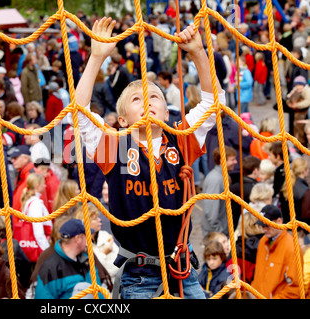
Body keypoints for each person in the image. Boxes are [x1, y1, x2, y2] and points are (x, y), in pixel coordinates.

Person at [75, 18, 225, 299]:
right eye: (136, 100)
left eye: (154, 96)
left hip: (182, 267)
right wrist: (96, 57)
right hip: (140, 274)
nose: (147, 101)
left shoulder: (180, 139)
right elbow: (80, 114)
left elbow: (212, 104)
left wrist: (198, 52)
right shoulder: (115, 146)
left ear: (167, 112)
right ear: (121, 120)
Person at [34, 218, 104, 299]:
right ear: (78, 238)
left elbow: (99, 292)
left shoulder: (87, 260)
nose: (89, 240)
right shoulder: (50, 267)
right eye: (86, 236)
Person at [251, 205, 301, 299]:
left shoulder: (292, 247)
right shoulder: (263, 241)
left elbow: (294, 289)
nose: (264, 230)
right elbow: (257, 277)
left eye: (267, 226)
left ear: (279, 221)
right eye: (262, 226)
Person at [75, 203, 119, 290]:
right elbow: (91, 272)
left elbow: (118, 265)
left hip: (115, 287)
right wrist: (104, 253)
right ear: (85, 222)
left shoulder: (106, 236)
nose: (100, 220)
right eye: (95, 219)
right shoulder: (80, 244)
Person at [13, 173, 52, 264]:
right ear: (38, 186)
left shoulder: (30, 201)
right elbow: (38, 230)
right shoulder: (36, 204)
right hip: (38, 250)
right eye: (43, 183)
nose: (45, 185)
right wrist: (47, 251)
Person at [201, 146, 237, 239]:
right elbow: (211, 210)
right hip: (216, 234)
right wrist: (220, 231)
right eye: (232, 160)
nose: (235, 162)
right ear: (222, 161)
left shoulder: (222, 177)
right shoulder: (215, 180)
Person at [229, 155, 260, 231]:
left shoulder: (234, 186)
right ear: (255, 170)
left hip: (234, 226)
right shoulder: (256, 190)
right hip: (250, 228)